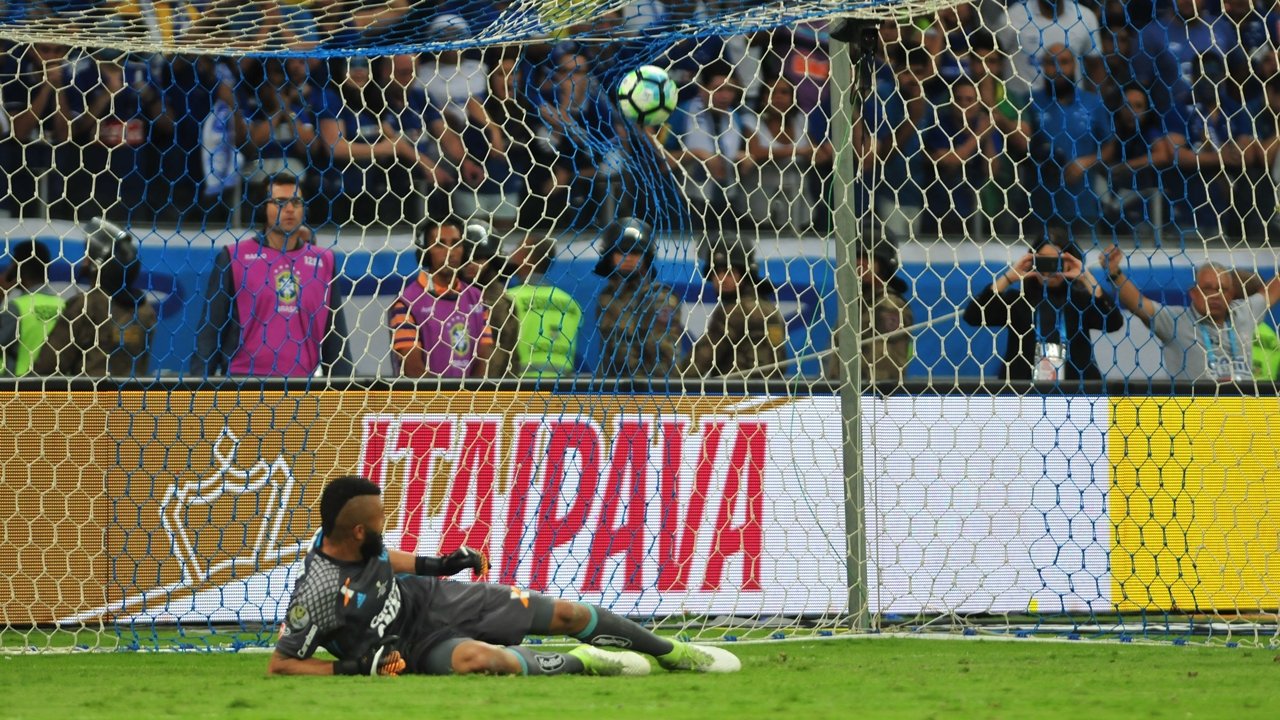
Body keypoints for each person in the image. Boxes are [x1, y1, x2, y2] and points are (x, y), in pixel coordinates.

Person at [269, 475, 740, 676]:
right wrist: (352, 668)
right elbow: (282, 664)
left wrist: (441, 564)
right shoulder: (317, 591)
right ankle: (586, 662)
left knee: (567, 613)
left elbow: (382, 558)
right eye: (378, 522)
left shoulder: (349, 540)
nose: (384, 526)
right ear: (356, 531)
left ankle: (672, 653)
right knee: (483, 660)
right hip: (412, 648)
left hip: (434, 599)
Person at [191, 175, 351, 378]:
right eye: (280, 202)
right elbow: (209, 331)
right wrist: (198, 390)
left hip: (302, 386)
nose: (290, 209)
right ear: (262, 208)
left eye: (296, 202)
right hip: (242, 384)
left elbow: (335, 337)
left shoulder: (324, 261)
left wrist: (344, 389)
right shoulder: (234, 256)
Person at [964, 233, 1122, 384]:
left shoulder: (1081, 301)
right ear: (1033, 260)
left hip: (1076, 393)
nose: (1049, 268)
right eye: (1043, 261)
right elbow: (973, 316)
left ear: (1069, 261)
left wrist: (1086, 277)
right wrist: (1008, 278)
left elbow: (1114, 323)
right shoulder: (1017, 301)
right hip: (1022, 393)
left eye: (1057, 261)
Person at [1101, 249, 1280, 382]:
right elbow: (1138, 303)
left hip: (1244, 412)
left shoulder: (1244, 313)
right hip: (1194, 413)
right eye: (1207, 289)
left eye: (1222, 289)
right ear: (1194, 293)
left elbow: (1272, 290)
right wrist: (1114, 272)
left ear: (1231, 295)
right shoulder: (1175, 320)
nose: (1215, 295)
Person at [34, 218, 157, 377]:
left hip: (90, 392)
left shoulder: (86, 306)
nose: (84, 262)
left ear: (97, 266)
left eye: (88, 257)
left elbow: (49, 366)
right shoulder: (145, 310)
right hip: (131, 393)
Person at [388, 218, 493, 379]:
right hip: (425, 395)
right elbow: (413, 369)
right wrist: (450, 394)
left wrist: (469, 393)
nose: (449, 251)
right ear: (426, 252)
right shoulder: (407, 302)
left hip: (470, 395)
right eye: (440, 244)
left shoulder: (477, 298)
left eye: (456, 243)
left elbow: (483, 361)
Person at [683, 237, 787, 379]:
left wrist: (668, 384)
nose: (721, 279)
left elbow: (697, 363)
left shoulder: (735, 312)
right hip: (770, 391)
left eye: (729, 271)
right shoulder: (768, 307)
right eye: (716, 272)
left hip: (736, 390)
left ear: (745, 273)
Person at [594, 217, 684, 380]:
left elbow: (664, 356)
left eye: (635, 252)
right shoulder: (606, 297)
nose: (628, 258)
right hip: (611, 387)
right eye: (621, 251)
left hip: (650, 387)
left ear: (646, 257)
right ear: (610, 256)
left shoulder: (660, 297)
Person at [824, 234, 913, 385]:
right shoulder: (858, 303)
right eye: (856, 257)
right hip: (846, 393)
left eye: (867, 258)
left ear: (883, 266)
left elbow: (885, 369)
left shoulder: (888, 305)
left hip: (871, 395)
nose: (859, 264)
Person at [505, 235, 583, 380]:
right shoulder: (571, 302)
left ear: (526, 258)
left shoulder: (509, 298)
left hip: (520, 384)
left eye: (518, 248)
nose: (512, 253)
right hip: (562, 386)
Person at [458, 220, 518, 379]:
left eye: (479, 258)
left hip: (485, 387)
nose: (471, 264)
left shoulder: (499, 304)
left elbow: (504, 356)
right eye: (465, 259)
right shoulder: (447, 295)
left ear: (492, 260)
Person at [0, 240, 63, 376]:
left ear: (18, 269)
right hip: (58, 385)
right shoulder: (65, 306)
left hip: (19, 385)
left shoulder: (15, 308)